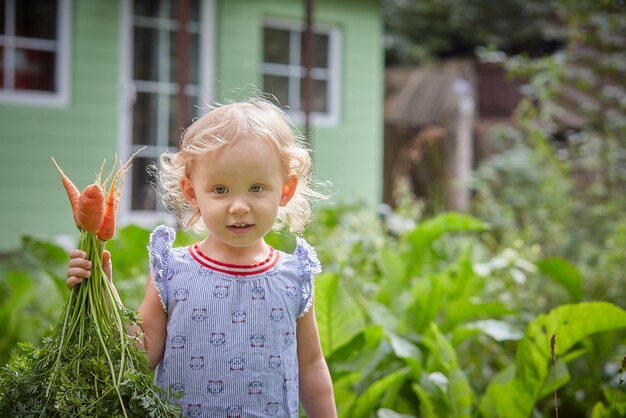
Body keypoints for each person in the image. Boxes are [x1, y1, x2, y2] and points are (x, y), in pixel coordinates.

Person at [66, 98, 337, 418]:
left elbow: (311, 366)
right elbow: (142, 353)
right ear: (192, 192)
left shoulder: (295, 276)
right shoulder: (173, 271)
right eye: (220, 190)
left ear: (285, 190)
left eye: (256, 187)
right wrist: (102, 290)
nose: (238, 206)